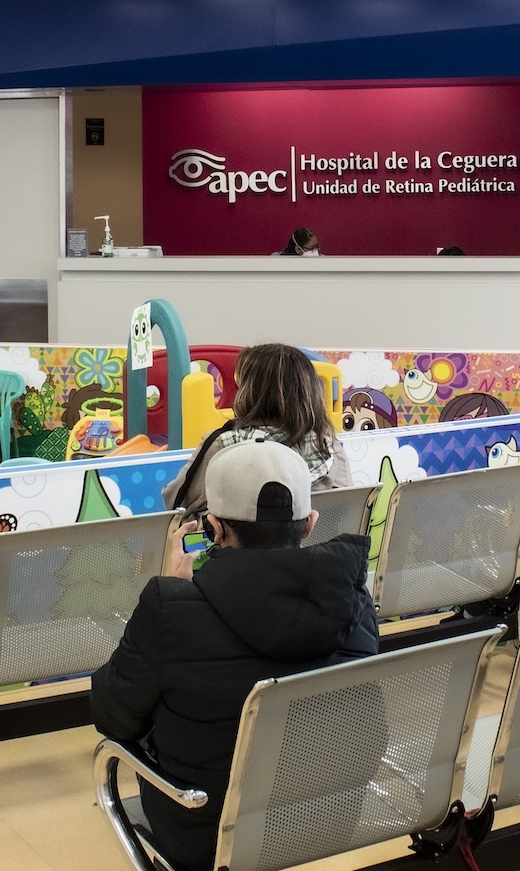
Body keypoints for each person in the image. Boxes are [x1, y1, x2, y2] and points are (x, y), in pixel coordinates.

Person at [92, 441, 380, 870]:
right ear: (309, 525)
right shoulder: (352, 597)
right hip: (328, 818)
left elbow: (113, 716)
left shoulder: (170, 608)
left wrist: (176, 587)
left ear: (214, 528)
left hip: (204, 835)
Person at [164, 343, 351, 520]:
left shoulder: (222, 445)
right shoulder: (328, 446)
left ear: (249, 391)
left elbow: (175, 502)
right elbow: (348, 507)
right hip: (315, 542)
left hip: (236, 544)